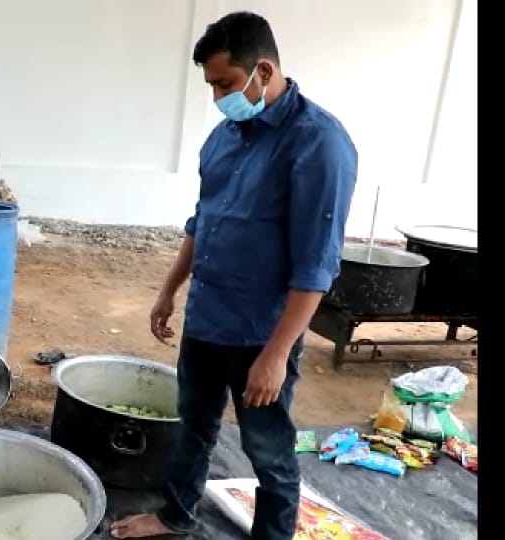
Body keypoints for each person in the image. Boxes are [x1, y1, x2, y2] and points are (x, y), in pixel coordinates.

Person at [111, 12, 359, 540]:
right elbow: (204, 223)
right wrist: (169, 290)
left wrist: (274, 356)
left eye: (225, 83)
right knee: (193, 426)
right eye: (212, 86)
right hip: (208, 318)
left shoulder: (319, 145)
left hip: (260, 332)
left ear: (263, 70)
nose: (219, 97)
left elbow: (316, 264)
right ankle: (176, 514)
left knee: (266, 448)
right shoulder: (224, 138)